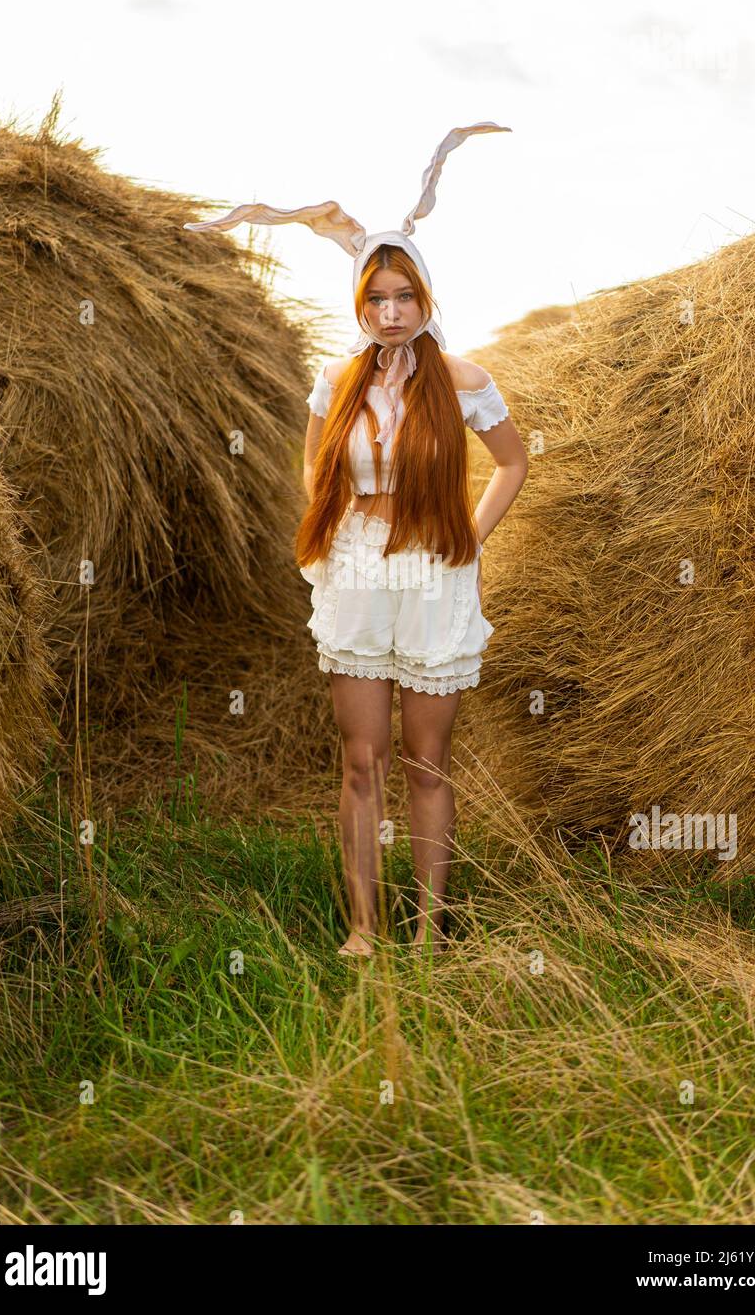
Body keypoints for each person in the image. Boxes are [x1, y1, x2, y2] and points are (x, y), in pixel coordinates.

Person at [184, 123, 528, 959]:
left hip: (435, 570)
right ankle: (364, 931)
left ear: (425, 297)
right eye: (377, 300)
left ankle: (429, 931)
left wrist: (469, 539)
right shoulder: (337, 380)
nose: (390, 313)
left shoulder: (464, 380)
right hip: (357, 570)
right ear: (360, 304)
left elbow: (513, 464)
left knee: (426, 760)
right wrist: (338, 530)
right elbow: (313, 464)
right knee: (361, 759)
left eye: (404, 297)